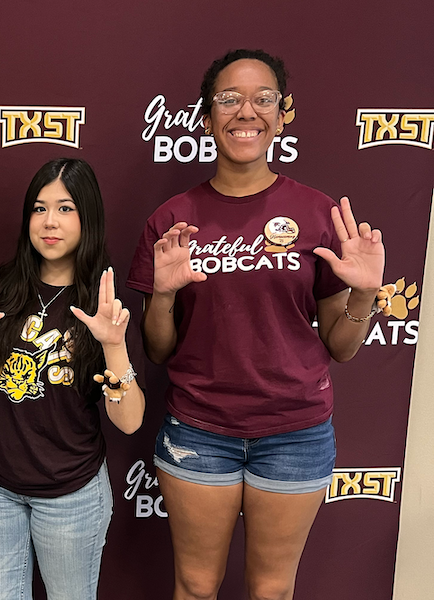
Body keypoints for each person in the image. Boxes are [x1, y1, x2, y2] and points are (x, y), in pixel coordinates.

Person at [127, 49, 386, 600]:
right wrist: (163, 297)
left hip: (295, 432)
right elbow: (156, 349)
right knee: (195, 586)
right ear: (205, 117)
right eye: (229, 99)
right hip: (199, 428)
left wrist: (364, 293)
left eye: (263, 99)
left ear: (283, 114)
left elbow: (340, 347)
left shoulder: (318, 214)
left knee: (271, 590)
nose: (247, 111)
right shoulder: (172, 220)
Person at [0, 158, 146, 600]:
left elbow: (130, 422)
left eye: (65, 208)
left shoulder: (105, 303)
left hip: (70, 494)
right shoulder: (1, 293)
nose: (49, 222)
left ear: (88, 216)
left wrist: (114, 345)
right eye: (39, 209)